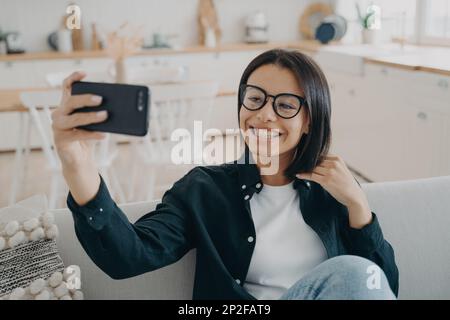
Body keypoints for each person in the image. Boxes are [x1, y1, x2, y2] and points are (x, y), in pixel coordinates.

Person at [51, 49, 398, 300]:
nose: (264, 115)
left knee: (354, 272)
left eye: (286, 105)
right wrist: (76, 163)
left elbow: (382, 288)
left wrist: (357, 204)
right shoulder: (205, 189)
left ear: (308, 120)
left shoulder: (333, 191)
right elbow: (129, 256)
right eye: (255, 98)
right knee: (352, 271)